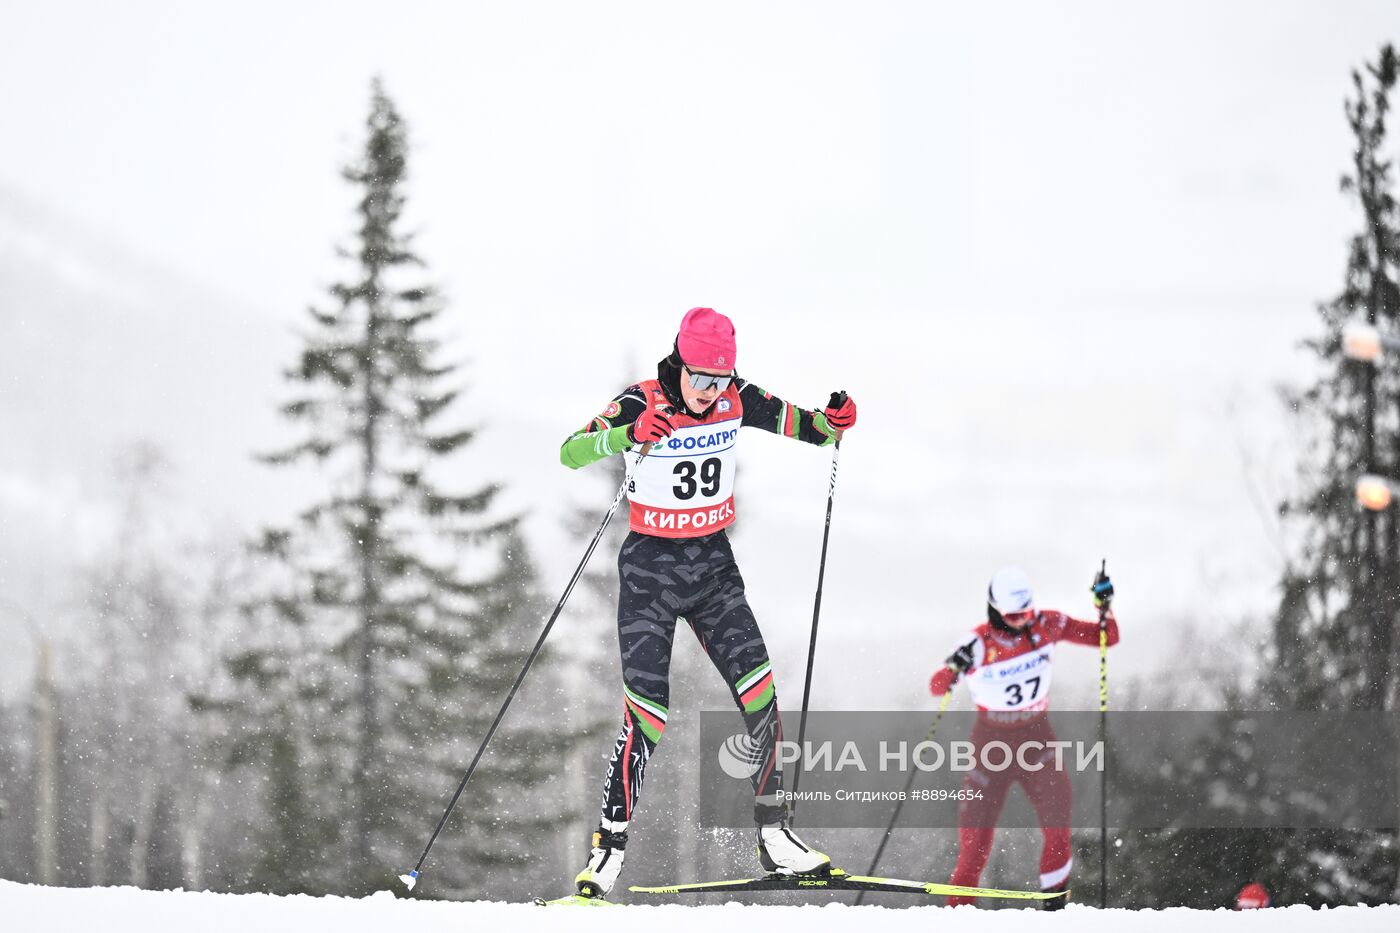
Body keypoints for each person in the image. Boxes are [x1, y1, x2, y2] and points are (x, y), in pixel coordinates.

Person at [559, 306, 859, 898]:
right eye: (699, 377)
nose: (708, 391)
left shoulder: (737, 398)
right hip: (650, 573)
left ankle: (775, 836)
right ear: (679, 362)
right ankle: (609, 849)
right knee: (648, 714)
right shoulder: (641, 400)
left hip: (713, 571)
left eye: (720, 379)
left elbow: (813, 429)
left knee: (761, 694)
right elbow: (571, 452)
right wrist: (626, 436)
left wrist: (835, 422)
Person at [929, 565, 1119, 909]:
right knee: (974, 848)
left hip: (1037, 743)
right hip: (991, 750)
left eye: (1026, 612)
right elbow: (936, 686)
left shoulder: (1048, 624)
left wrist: (1102, 605)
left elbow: (1106, 637)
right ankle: (957, 916)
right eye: (1013, 615)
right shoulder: (976, 643)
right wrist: (954, 667)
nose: (1022, 621)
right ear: (995, 610)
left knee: (1059, 829)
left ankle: (1054, 908)